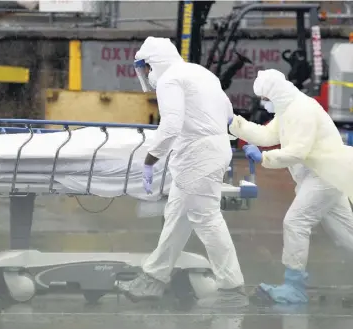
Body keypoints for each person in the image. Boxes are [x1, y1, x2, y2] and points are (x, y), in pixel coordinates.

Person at [118, 36, 247, 305]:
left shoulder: (169, 79)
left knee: (206, 218)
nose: (148, 75)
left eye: (147, 68)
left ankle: (232, 286)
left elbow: (171, 125)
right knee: (177, 215)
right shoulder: (201, 73)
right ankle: (154, 278)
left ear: (154, 62)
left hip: (198, 155)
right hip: (213, 148)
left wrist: (151, 159)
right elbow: (226, 113)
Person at [229, 68, 353, 304]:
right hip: (325, 175)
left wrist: (264, 159)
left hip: (324, 176)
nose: (264, 105)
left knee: (296, 222)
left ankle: (294, 287)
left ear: (275, 94)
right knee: (347, 235)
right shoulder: (288, 109)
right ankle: (293, 286)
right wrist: (235, 124)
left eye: (265, 100)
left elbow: (298, 151)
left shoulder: (302, 109)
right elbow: (267, 134)